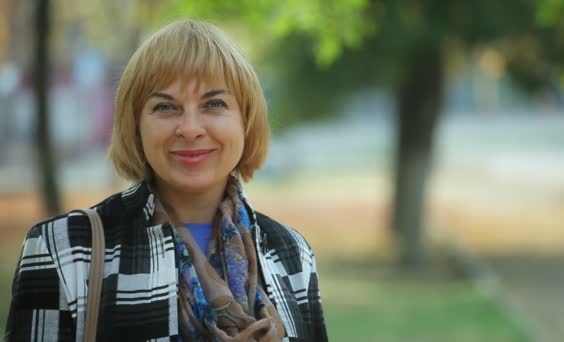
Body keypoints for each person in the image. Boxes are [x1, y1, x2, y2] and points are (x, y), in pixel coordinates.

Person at [5, 19, 328, 342]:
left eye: (214, 104)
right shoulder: (63, 250)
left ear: (246, 119)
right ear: (136, 126)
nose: (190, 128)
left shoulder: (292, 254)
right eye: (166, 107)